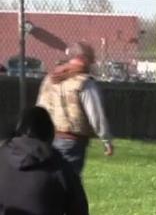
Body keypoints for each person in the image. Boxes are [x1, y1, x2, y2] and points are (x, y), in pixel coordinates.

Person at [36, 41, 113, 175]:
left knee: (50, 179)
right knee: (69, 182)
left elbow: (39, 110)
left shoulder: (50, 79)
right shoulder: (85, 82)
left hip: (48, 139)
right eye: (91, 58)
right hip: (72, 141)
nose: (92, 62)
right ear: (83, 58)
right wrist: (106, 141)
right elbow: (96, 116)